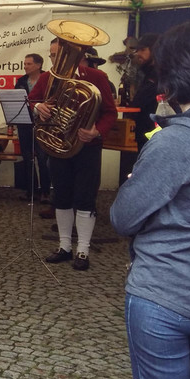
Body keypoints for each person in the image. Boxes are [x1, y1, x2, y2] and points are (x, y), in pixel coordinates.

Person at [110, 19, 190, 379]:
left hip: (165, 293)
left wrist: (136, 183)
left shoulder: (177, 142)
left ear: (171, 75)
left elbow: (123, 218)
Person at [31, 46, 117, 271]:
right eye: (53, 54)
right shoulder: (47, 78)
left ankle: (83, 250)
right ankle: (65, 246)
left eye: (60, 53)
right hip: (57, 144)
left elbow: (110, 112)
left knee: (85, 197)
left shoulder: (97, 77)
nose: (56, 58)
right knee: (61, 196)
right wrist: (39, 106)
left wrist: (97, 131)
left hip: (87, 146)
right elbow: (32, 100)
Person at [15, 53, 51, 203]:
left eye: (28, 64)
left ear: (38, 65)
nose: (25, 66)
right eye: (24, 64)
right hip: (24, 124)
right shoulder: (21, 81)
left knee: (42, 159)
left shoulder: (48, 79)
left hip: (43, 124)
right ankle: (31, 191)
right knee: (27, 158)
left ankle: (46, 192)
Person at [130, 33, 160, 151]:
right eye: (137, 50)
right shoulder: (147, 74)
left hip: (153, 137)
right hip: (145, 135)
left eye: (142, 50)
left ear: (154, 50)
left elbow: (139, 102)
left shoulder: (159, 75)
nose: (138, 54)